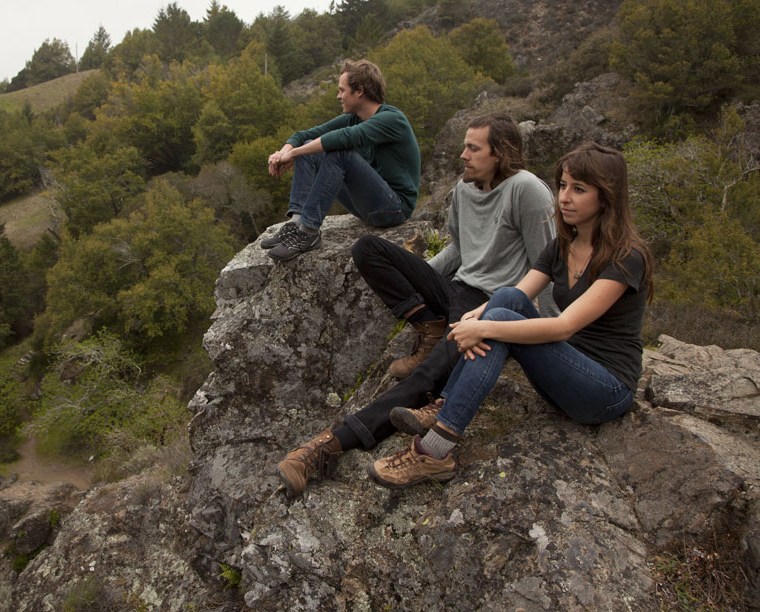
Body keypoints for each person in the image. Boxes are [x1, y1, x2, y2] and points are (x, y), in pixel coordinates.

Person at [276, 113, 555, 496]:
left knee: (425, 377)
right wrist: (419, 277)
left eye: (473, 148)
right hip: (456, 288)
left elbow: (548, 265)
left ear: (500, 152)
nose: (462, 155)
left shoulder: (528, 190)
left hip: (495, 305)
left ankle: (326, 445)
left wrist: (554, 334)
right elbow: (459, 248)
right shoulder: (464, 188)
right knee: (368, 249)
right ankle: (429, 324)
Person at [366, 142, 653, 489]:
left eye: (579, 189)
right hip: (563, 375)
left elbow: (565, 327)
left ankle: (436, 450)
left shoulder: (627, 256)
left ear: (606, 198)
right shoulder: (563, 245)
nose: (564, 197)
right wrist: (475, 318)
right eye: (562, 185)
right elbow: (517, 295)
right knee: (504, 298)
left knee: (501, 319)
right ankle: (444, 406)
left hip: (604, 392)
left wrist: (488, 326)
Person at [263, 59, 421, 261]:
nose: (338, 96)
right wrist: (282, 152)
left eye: (342, 90)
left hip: (394, 208)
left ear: (359, 91)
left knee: (338, 152)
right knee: (310, 145)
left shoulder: (392, 119)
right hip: (369, 204)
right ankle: (297, 224)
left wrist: (294, 154)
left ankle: (309, 232)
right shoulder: (354, 118)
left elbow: (343, 138)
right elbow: (304, 135)